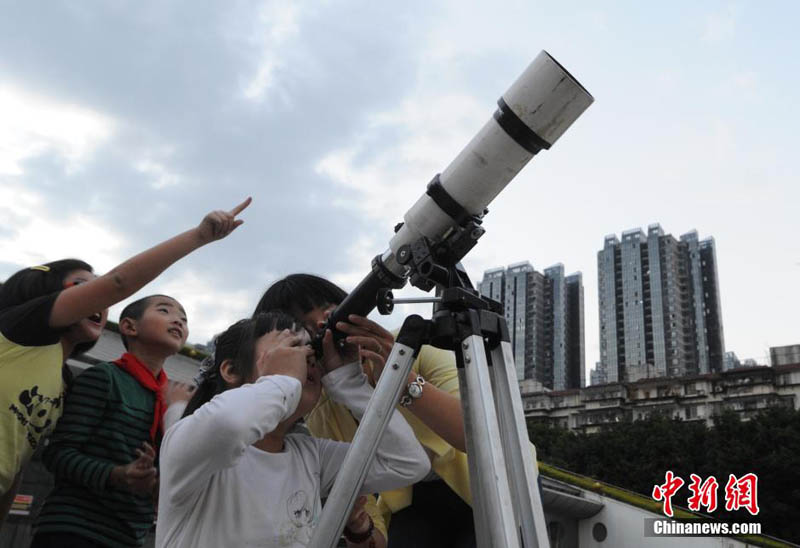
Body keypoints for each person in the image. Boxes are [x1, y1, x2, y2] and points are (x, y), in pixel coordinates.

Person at [0, 197, 251, 524]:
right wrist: (200, 236)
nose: (101, 300)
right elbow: (119, 282)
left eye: (184, 317)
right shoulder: (22, 328)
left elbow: (18, 459)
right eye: (84, 288)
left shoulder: (63, 383)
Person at [155, 312, 429, 548]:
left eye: (311, 350)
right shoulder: (190, 440)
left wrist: (349, 384)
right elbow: (230, 425)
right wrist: (283, 379)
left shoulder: (311, 456)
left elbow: (407, 463)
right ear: (231, 370)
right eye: (291, 345)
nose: (307, 357)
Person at [253, 274, 476, 548]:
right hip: (412, 504)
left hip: (484, 480)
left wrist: (400, 376)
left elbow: (476, 436)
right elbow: (372, 526)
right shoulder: (323, 408)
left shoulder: (415, 349)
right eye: (309, 334)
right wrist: (360, 528)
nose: (328, 336)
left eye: (332, 318)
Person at [30, 294, 190, 547]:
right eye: (164, 311)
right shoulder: (105, 378)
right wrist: (117, 474)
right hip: (75, 528)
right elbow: (57, 454)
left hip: (130, 535)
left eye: (184, 319)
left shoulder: (171, 400)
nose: (179, 321)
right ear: (129, 326)